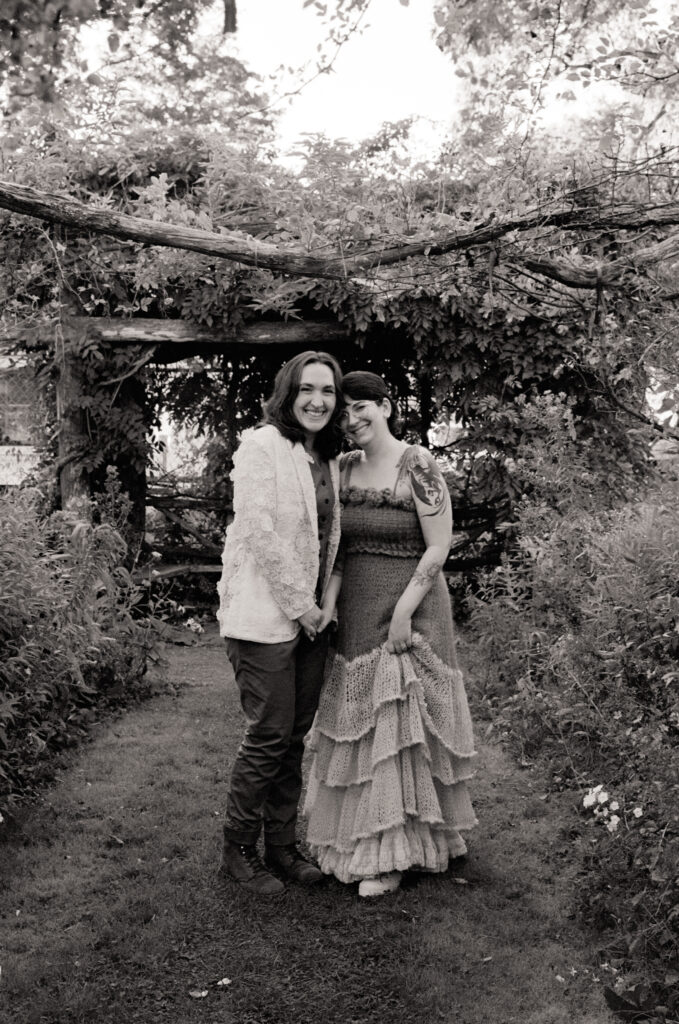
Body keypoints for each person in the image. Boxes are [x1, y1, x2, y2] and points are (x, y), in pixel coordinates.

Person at [304, 370, 477, 898]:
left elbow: (438, 548)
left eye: (362, 407)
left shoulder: (418, 465)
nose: (352, 418)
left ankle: (395, 855)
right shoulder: (345, 469)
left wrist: (403, 612)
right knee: (363, 726)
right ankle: (368, 836)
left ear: (387, 406)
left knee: (401, 728)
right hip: (357, 609)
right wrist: (327, 607)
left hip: (411, 609)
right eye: (346, 410)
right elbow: (339, 552)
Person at [216, 351, 343, 896]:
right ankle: (238, 848)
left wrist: (323, 609)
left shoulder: (330, 458)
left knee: (294, 738)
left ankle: (282, 847)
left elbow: (331, 538)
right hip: (264, 617)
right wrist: (303, 606)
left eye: (329, 392)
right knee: (268, 735)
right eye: (307, 389)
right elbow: (260, 533)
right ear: (288, 393)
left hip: (315, 621)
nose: (318, 400)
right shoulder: (261, 445)